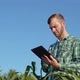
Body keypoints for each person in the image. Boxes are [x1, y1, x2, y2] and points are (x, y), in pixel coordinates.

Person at [41, 13, 80, 80]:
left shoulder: (75, 42)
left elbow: (79, 65)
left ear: (63, 24)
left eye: (55, 27)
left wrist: (59, 65)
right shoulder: (52, 47)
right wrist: (44, 62)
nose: (53, 30)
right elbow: (46, 70)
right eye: (51, 28)